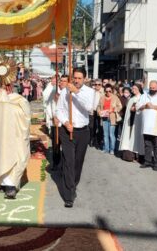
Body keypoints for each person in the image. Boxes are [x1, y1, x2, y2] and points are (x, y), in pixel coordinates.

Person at [0, 62, 31, 199]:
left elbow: (26, 117)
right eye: (5, 84)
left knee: (15, 156)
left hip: (14, 135)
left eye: (9, 84)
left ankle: (11, 184)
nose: (7, 86)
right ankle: (0, 180)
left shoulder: (20, 100)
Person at [56, 67, 94, 208]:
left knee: (78, 163)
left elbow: (89, 107)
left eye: (79, 78)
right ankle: (69, 195)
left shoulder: (89, 92)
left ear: (84, 79)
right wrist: (66, 122)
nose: (76, 80)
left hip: (83, 132)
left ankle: (73, 184)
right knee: (68, 163)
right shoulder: (65, 91)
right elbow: (58, 109)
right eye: (75, 78)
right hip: (67, 131)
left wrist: (76, 92)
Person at [137, 80, 157, 171]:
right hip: (146, 124)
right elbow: (138, 107)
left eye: (154, 88)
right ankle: (147, 161)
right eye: (151, 87)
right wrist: (145, 106)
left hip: (156, 125)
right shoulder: (144, 96)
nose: (152, 89)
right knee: (147, 144)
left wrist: (153, 106)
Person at [47, 75, 68, 171]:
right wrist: (52, 117)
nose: (62, 82)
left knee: (66, 146)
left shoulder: (69, 93)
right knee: (55, 145)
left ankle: (65, 164)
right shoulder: (54, 92)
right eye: (61, 81)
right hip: (55, 123)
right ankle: (56, 163)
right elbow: (49, 105)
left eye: (65, 81)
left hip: (65, 124)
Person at [119, 83, 144, 162]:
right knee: (129, 136)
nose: (133, 90)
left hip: (137, 121)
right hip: (130, 120)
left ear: (139, 89)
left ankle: (137, 155)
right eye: (132, 89)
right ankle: (129, 154)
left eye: (135, 89)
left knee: (136, 137)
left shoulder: (142, 97)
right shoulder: (132, 98)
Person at [97, 84, 122, 154]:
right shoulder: (102, 97)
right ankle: (106, 149)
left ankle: (112, 149)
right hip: (104, 118)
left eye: (109, 91)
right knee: (105, 134)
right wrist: (99, 111)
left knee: (111, 134)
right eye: (106, 91)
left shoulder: (115, 97)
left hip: (112, 118)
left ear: (112, 91)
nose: (108, 92)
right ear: (105, 91)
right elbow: (98, 106)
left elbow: (120, 106)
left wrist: (113, 110)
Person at [91, 79, 103, 149]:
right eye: (96, 84)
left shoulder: (104, 92)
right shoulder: (92, 92)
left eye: (99, 84)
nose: (97, 86)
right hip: (93, 111)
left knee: (100, 127)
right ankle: (92, 140)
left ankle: (99, 141)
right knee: (93, 127)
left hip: (100, 112)